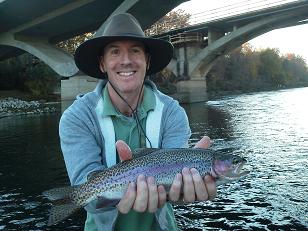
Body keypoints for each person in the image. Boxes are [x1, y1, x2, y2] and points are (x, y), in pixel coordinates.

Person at [59, 13, 216, 231]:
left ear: (147, 61)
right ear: (102, 64)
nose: (126, 60)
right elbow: (89, 197)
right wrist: (107, 190)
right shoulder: (76, 117)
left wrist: (181, 193)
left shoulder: (173, 113)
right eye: (115, 51)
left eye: (135, 50)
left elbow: (175, 183)